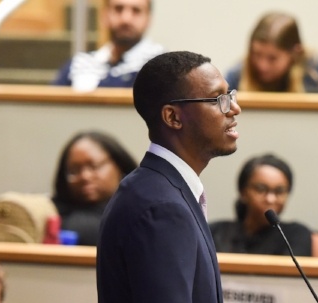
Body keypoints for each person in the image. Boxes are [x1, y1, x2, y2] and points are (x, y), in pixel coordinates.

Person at [97, 51, 240, 303]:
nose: (234, 108)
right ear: (173, 117)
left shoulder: (152, 189)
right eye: (218, 98)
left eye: (229, 95)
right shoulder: (163, 208)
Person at [209, 154, 313, 256]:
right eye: (261, 189)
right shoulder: (214, 232)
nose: (270, 199)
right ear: (243, 192)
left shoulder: (296, 235)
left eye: (279, 191)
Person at [52, 0, 165, 91]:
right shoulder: (79, 64)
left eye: (136, 10)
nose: (126, 19)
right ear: (104, 15)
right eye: (118, 9)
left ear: (148, 18)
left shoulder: (162, 66)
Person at [51, 130, 137, 246]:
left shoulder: (143, 211)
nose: (85, 176)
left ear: (120, 166)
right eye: (74, 171)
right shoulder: (53, 212)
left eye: (94, 166)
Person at [225, 12, 318, 94]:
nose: (262, 65)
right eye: (257, 54)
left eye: (272, 58)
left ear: (295, 53)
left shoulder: (314, 72)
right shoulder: (238, 74)